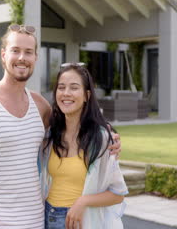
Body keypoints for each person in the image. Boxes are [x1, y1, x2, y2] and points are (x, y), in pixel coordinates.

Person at [0, 24, 120, 229]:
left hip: (38, 223)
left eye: (28, 52)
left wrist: (109, 137)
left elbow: (74, 125)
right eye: (15, 50)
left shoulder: (40, 106)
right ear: (3, 55)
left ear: (36, 58)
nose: (22, 58)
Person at [40, 63, 128, 229]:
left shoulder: (101, 139)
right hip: (46, 218)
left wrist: (83, 202)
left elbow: (118, 193)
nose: (66, 93)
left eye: (74, 88)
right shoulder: (49, 136)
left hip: (80, 222)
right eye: (61, 87)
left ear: (87, 95)